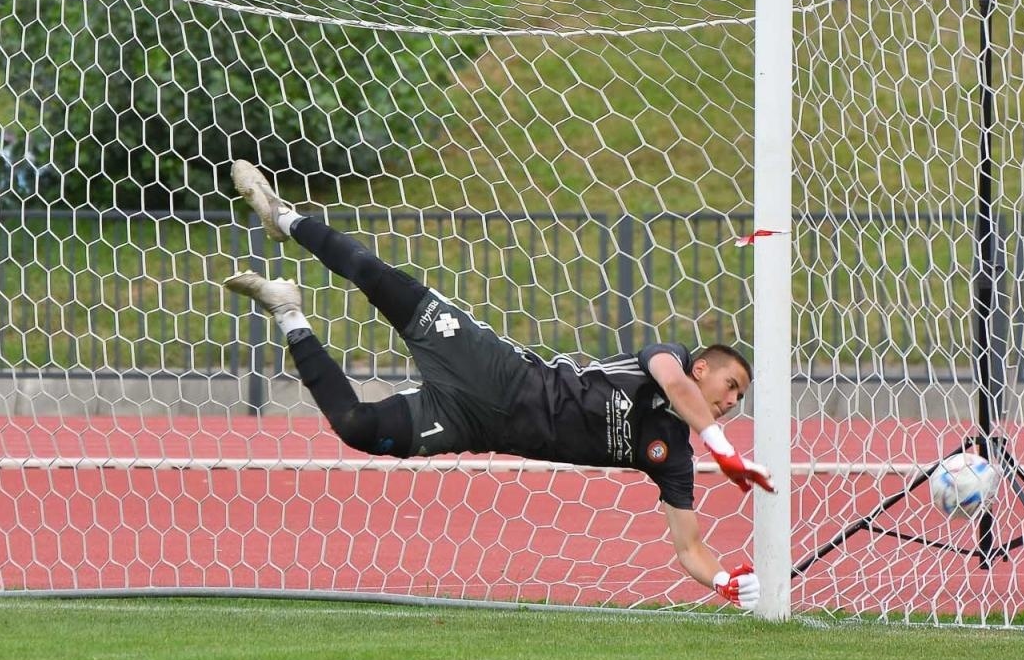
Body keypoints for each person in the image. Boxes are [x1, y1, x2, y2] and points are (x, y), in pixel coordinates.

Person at [222, 160, 775, 610]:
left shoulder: (672, 456)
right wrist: (720, 445)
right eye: (730, 385)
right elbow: (675, 386)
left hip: (478, 424)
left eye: (738, 400)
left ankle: (286, 310)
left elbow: (690, 546)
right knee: (380, 281)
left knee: (357, 428)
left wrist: (725, 582)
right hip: (493, 368)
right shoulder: (669, 361)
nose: (730, 401)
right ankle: (285, 219)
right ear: (704, 367)